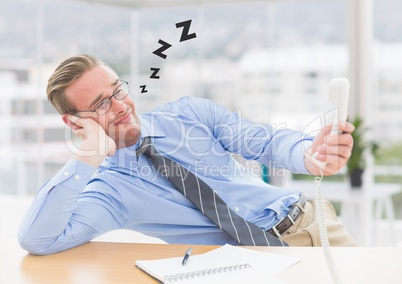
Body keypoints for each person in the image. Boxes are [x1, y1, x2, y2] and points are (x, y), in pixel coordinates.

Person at [18, 54, 358, 255]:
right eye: (101, 105)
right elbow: (38, 238)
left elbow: (264, 142)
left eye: (118, 90)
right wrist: (86, 158)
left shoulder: (188, 114)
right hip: (250, 264)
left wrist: (309, 154)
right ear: (74, 121)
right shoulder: (110, 192)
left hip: (311, 222)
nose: (121, 107)